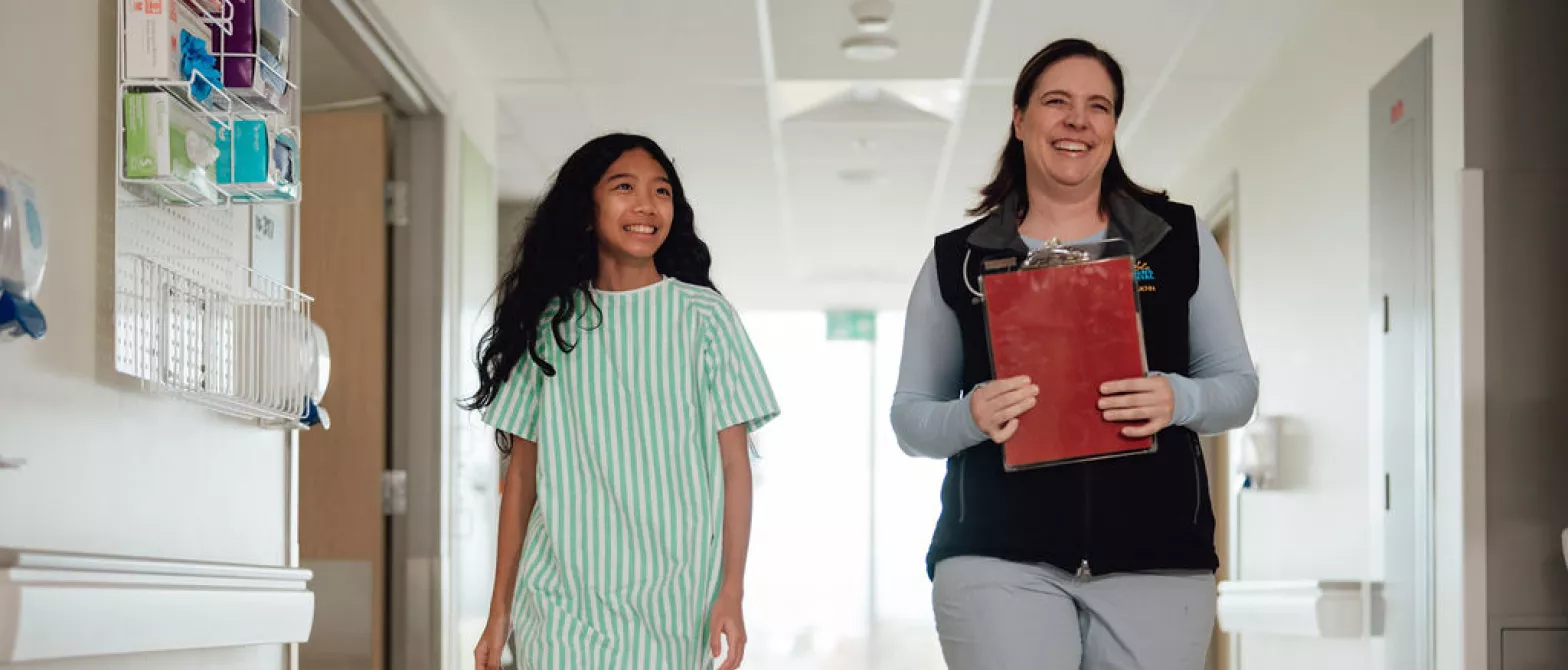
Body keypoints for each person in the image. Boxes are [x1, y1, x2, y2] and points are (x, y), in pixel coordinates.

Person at [889, 38, 1258, 669]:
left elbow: (1237, 389)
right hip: (996, 560)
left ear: (1114, 123)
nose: (1077, 122)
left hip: (1158, 563)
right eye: (1057, 101)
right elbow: (911, 418)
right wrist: (970, 415)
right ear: (1019, 117)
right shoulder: (961, 260)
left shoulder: (1178, 241)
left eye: (1099, 106)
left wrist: (1179, 397)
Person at [466, 133, 779, 670]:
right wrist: (499, 611)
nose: (646, 204)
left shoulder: (704, 318)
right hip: (561, 601)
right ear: (587, 210)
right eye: (624, 187)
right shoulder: (551, 323)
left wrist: (732, 590)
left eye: (661, 191)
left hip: (677, 604)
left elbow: (735, 467)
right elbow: (522, 478)